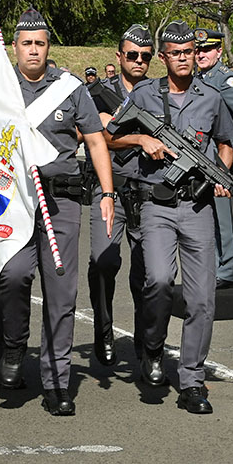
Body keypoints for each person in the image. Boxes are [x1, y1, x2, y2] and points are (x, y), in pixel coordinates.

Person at [105, 21, 233, 414]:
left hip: (196, 208)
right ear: (163, 57)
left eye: (190, 53)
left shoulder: (211, 98)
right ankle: (153, 346)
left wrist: (221, 176)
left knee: (201, 299)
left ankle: (192, 380)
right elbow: (110, 135)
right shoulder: (145, 94)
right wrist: (143, 139)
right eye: (176, 53)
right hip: (155, 206)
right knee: (159, 280)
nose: (184, 59)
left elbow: (226, 143)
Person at [0, 9, 114, 416]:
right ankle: (12, 344)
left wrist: (107, 193)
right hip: (14, 201)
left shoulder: (69, 88)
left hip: (60, 202)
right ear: (15, 47)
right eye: (26, 43)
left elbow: (95, 141)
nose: (33, 50)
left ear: (48, 47)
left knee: (61, 294)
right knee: (14, 274)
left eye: (40, 43)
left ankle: (57, 381)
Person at [85, 24, 154, 366]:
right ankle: (103, 326)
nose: (139, 60)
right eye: (132, 55)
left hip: (149, 190)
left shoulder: (158, 93)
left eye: (145, 56)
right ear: (119, 57)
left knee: (145, 271)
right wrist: (140, 138)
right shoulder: (99, 91)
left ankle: (144, 339)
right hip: (110, 186)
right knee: (104, 261)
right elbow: (100, 135)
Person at [194, 28, 233, 289]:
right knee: (206, 218)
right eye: (197, 49)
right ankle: (215, 267)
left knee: (225, 217)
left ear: (219, 51)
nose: (201, 54)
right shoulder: (199, 78)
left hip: (222, 161)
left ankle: (228, 270)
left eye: (207, 49)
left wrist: (231, 153)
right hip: (203, 159)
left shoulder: (224, 80)